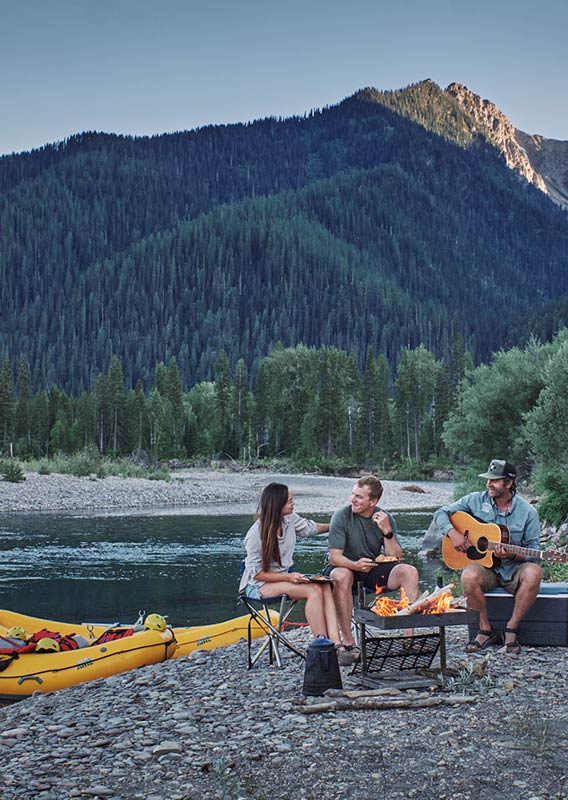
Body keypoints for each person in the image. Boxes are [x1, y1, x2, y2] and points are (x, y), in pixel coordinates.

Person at [434, 458, 542, 655]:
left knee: (534, 572)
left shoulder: (528, 512)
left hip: (513, 568)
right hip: (486, 569)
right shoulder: (475, 500)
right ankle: (484, 629)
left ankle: (511, 629)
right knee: (468, 575)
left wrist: (514, 554)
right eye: (488, 479)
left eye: (494, 480)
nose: (488, 484)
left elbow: (534, 550)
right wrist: (454, 534)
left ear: (508, 483)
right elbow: (441, 513)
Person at [324, 475, 419, 665]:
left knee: (410, 571)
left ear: (373, 502)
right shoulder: (341, 516)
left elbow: (395, 556)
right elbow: (335, 557)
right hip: (342, 566)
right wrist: (355, 565)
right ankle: (349, 643)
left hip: (371, 567)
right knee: (343, 575)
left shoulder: (385, 517)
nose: (353, 499)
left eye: (359, 497)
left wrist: (387, 532)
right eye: (353, 494)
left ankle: (408, 639)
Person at [239, 482, 340, 644]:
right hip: (258, 585)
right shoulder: (255, 535)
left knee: (325, 586)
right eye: (289, 501)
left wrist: (336, 526)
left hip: (283, 578)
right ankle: (320, 643)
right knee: (313, 590)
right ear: (277, 504)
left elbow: (310, 528)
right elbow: (257, 573)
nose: (294, 503)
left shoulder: (289, 520)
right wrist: (288, 578)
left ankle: (336, 643)